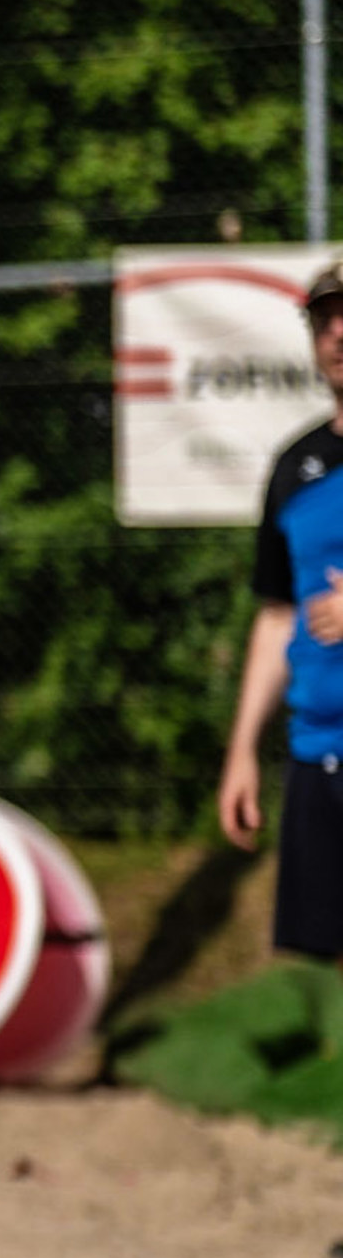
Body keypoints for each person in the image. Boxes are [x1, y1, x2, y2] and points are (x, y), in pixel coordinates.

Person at [219, 262, 343, 963]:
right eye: (326, 319)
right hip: (317, 754)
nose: (340, 333)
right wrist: (242, 752)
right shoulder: (296, 467)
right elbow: (276, 617)